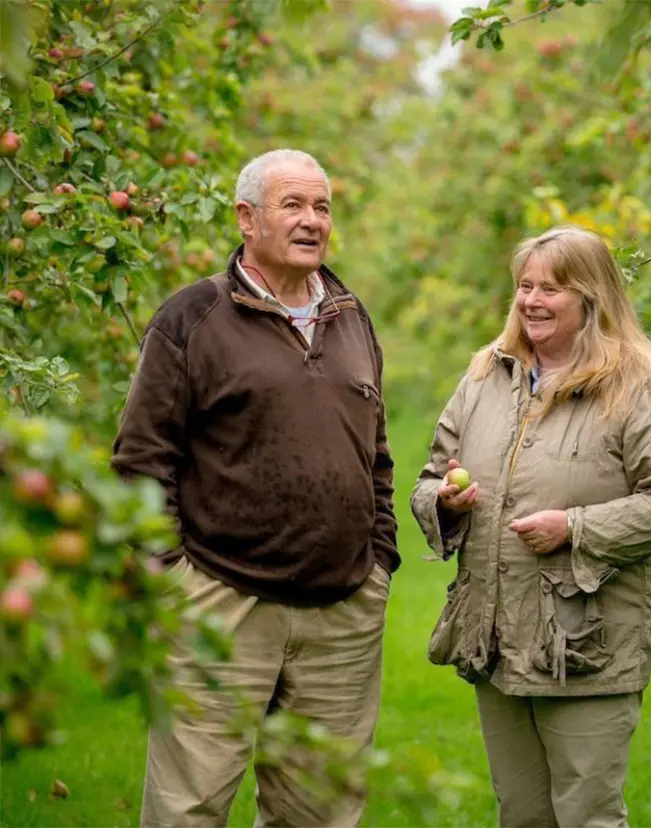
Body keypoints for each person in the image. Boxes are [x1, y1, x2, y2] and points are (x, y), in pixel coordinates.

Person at [112, 149, 398, 828]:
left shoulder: (351, 316)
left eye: (321, 207)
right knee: (191, 807)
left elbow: (376, 454)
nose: (311, 221)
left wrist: (378, 559)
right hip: (220, 598)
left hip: (340, 611)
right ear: (246, 218)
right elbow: (142, 458)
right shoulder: (192, 318)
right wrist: (170, 579)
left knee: (321, 812)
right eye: (292, 205)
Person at [411, 226, 651, 828]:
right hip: (495, 637)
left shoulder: (634, 383)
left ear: (591, 298)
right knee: (520, 815)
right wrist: (444, 501)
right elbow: (429, 478)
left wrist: (574, 528)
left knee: (588, 816)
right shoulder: (486, 376)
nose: (532, 301)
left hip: (585, 645)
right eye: (524, 286)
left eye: (552, 288)